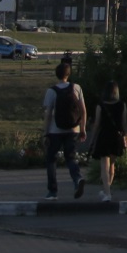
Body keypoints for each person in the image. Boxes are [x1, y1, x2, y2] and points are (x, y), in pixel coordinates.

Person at [42, 59, 88, 200]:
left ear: (57, 74)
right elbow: (83, 110)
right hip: (73, 129)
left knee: (51, 159)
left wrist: (45, 133)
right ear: (69, 74)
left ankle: (52, 192)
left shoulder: (51, 91)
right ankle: (77, 179)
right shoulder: (76, 88)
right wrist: (83, 128)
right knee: (71, 157)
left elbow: (48, 114)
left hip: (55, 131)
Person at [89, 79, 127, 194]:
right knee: (112, 164)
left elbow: (97, 124)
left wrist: (92, 140)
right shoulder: (122, 105)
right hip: (116, 137)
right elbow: (124, 123)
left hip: (104, 135)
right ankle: (108, 189)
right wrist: (126, 136)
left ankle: (107, 192)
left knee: (104, 164)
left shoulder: (100, 105)